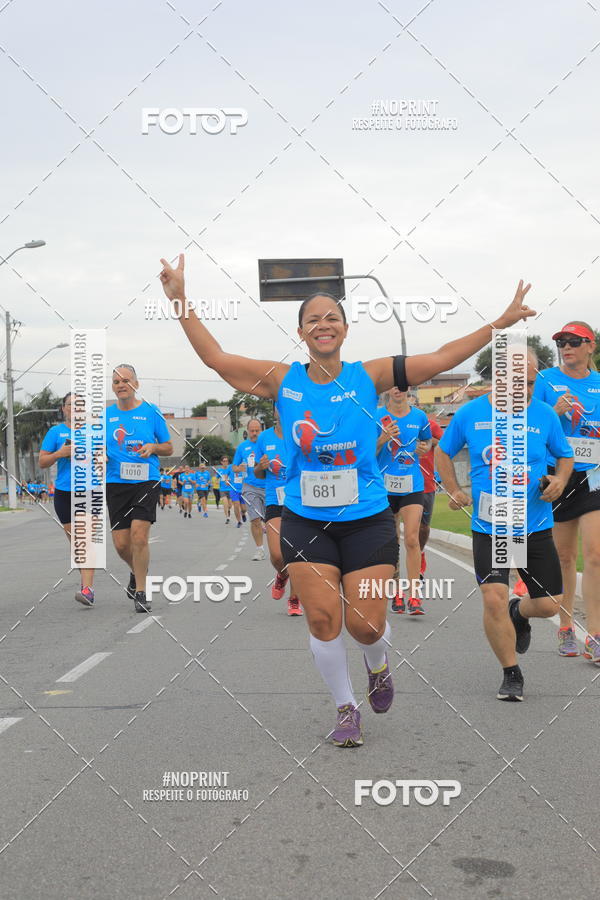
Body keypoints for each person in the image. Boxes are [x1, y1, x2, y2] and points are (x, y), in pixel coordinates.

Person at [160, 252, 534, 745]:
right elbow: (216, 357)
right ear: (301, 332)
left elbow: (441, 358)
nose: (323, 324)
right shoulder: (281, 380)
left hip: (366, 520)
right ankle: (344, 707)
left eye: (331, 317)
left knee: (364, 626)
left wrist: (499, 325)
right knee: (321, 618)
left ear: (345, 329)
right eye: (313, 319)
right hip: (305, 518)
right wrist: (181, 299)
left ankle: (377, 664)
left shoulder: (370, 375)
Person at [436, 350, 574, 701]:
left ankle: (520, 611)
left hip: (534, 523)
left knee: (548, 606)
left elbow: (565, 454)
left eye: (529, 383)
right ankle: (511, 672)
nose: (525, 390)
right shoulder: (471, 413)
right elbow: (443, 451)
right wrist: (453, 489)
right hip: (493, 526)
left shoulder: (543, 414)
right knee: (494, 596)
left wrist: (559, 480)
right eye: (517, 383)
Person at [532, 321, 600, 662]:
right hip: (556, 476)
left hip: (592, 476)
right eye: (560, 341)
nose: (566, 346)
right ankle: (566, 627)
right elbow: (528, 426)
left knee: (596, 554)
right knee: (564, 557)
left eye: (574, 341)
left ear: (590, 346)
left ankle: (597, 635)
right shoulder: (544, 381)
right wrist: (552, 414)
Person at [106, 365, 172, 612]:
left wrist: (153, 448)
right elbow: (96, 449)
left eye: (125, 380)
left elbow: (168, 447)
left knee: (139, 536)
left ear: (136, 383)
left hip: (146, 480)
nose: (121, 385)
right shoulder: (105, 417)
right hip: (116, 483)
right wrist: (100, 455)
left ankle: (142, 592)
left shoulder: (151, 412)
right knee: (122, 544)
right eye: (116, 381)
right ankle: (136, 570)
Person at [376, 389, 431, 614]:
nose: (398, 390)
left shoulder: (419, 416)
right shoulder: (376, 415)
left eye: (403, 386)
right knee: (391, 541)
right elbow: (366, 452)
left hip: (412, 485)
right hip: (384, 486)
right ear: (389, 389)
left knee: (411, 538)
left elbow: (427, 444)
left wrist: (423, 448)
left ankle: (414, 597)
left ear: (408, 389)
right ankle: (396, 591)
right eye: (394, 386)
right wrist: (382, 439)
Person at [39, 392, 96, 606]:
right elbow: (42, 462)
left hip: (89, 490)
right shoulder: (55, 432)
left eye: (80, 404)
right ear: (64, 409)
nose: (75, 408)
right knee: (76, 543)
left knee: (84, 539)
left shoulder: (94, 432)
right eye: (71, 404)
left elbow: (106, 456)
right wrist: (60, 453)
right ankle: (87, 583)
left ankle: (87, 589)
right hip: (64, 492)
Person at [254, 407, 301, 615]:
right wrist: (261, 466)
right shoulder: (264, 438)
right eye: (278, 406)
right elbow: (258, 473)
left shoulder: (299, 434)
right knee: (276, 554)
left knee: (297, 553)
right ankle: (282, 575)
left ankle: (294, 599)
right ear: (274, 411)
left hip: (298, 499)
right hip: (274, 499)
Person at [233, 418, 266, 558]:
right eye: (252, 431)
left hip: (268, 487)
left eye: (257, 430)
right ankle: (260, 549)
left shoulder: (267, 444)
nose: (254, 433)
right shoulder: (242, 447)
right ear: (247, 431)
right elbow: (234, 466)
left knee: (271, 521)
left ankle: (279, 549)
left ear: (261, 430)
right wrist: (238, 468)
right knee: (255, 519)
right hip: (250, 487)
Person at [418, 409, 443, 579]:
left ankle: (419, 553)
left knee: (423, 527)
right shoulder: (392, 422)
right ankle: (394, 567)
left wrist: (427, 440)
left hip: (426, 484)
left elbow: (445, 446)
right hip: (395, 485)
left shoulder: (430, 424)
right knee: (393, 528)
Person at [216, 455, 234, 524]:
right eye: (224, 461)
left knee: (230, 505)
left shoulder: (231, 469)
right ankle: (227, 518)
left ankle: (228, 511)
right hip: (222, 489)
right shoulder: (219, 470)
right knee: (225, 503)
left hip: (230, 489)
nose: (225, 462)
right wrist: (216, 481)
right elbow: (216, 478)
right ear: (221, 462)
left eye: (227, 461)